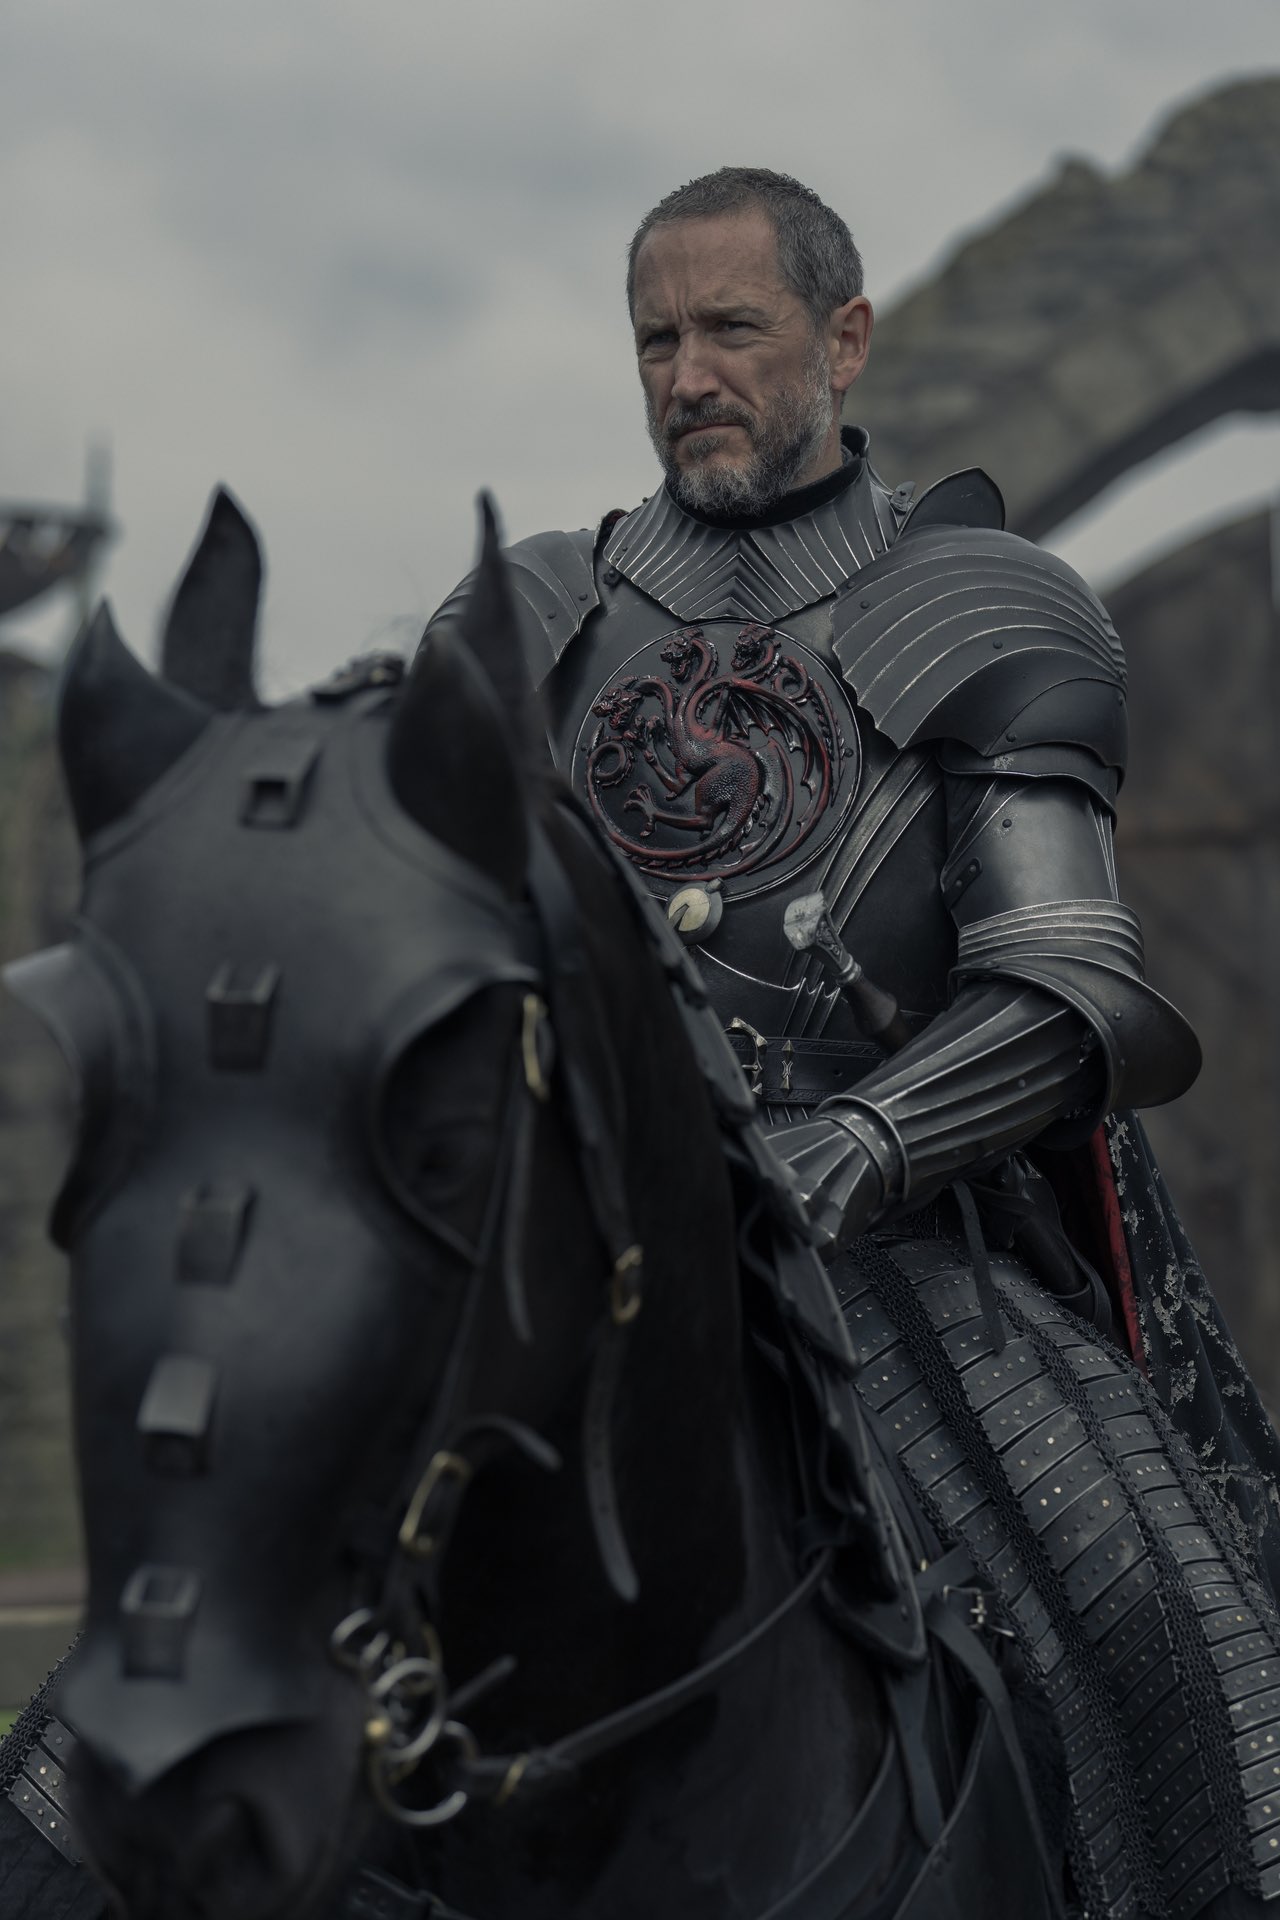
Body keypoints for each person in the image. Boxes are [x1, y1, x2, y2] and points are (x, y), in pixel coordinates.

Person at [421, 167, 1280, 1917]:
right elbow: (424, 938)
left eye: (732, 329)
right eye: (657, 341)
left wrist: (853, 1146)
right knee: (202, 1630)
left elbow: (1065, 984)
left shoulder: (983, 604)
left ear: (845, 336)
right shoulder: (524, 620)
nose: (688, 377)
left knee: (1174, 1638)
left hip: (892, 1260)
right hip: (562, 1252)